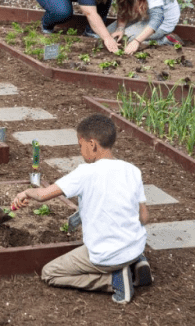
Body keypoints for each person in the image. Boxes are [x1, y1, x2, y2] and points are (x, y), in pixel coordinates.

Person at [10, 114, 152, 304]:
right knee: (126, 235)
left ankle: (114, 281)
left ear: (92, 144)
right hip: (135, 246)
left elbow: (43, 195)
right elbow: (144, 216)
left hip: (106, 255)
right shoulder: (132, 170)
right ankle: (137, 262)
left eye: (80, 145)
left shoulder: (86, 172)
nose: (80, 150)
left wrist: (25, 192)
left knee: (50, 273)